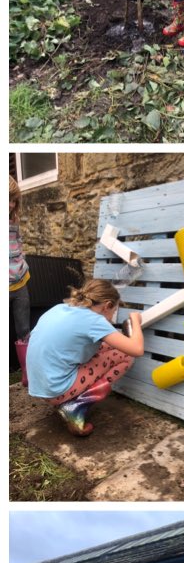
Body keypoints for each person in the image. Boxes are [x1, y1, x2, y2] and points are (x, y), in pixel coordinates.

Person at [25, 280, 144, 437]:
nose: (111, 319)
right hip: (56, 389)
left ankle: (69, 400)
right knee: (126, 355)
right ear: (107, 305)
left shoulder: (60, 308)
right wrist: (136, 321)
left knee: (111, 346)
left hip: (39, 384)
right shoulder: (94, 320)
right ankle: (74, 407)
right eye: (113, 311)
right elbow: (136, 350)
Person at [10, 177, 31, 376]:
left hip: (21, 283)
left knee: (24, 330)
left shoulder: (13, 221)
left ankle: (27, 371)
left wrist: (21, 263)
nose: (10, 204)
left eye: (14, 200)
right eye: (7, 199)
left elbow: (19, 244)